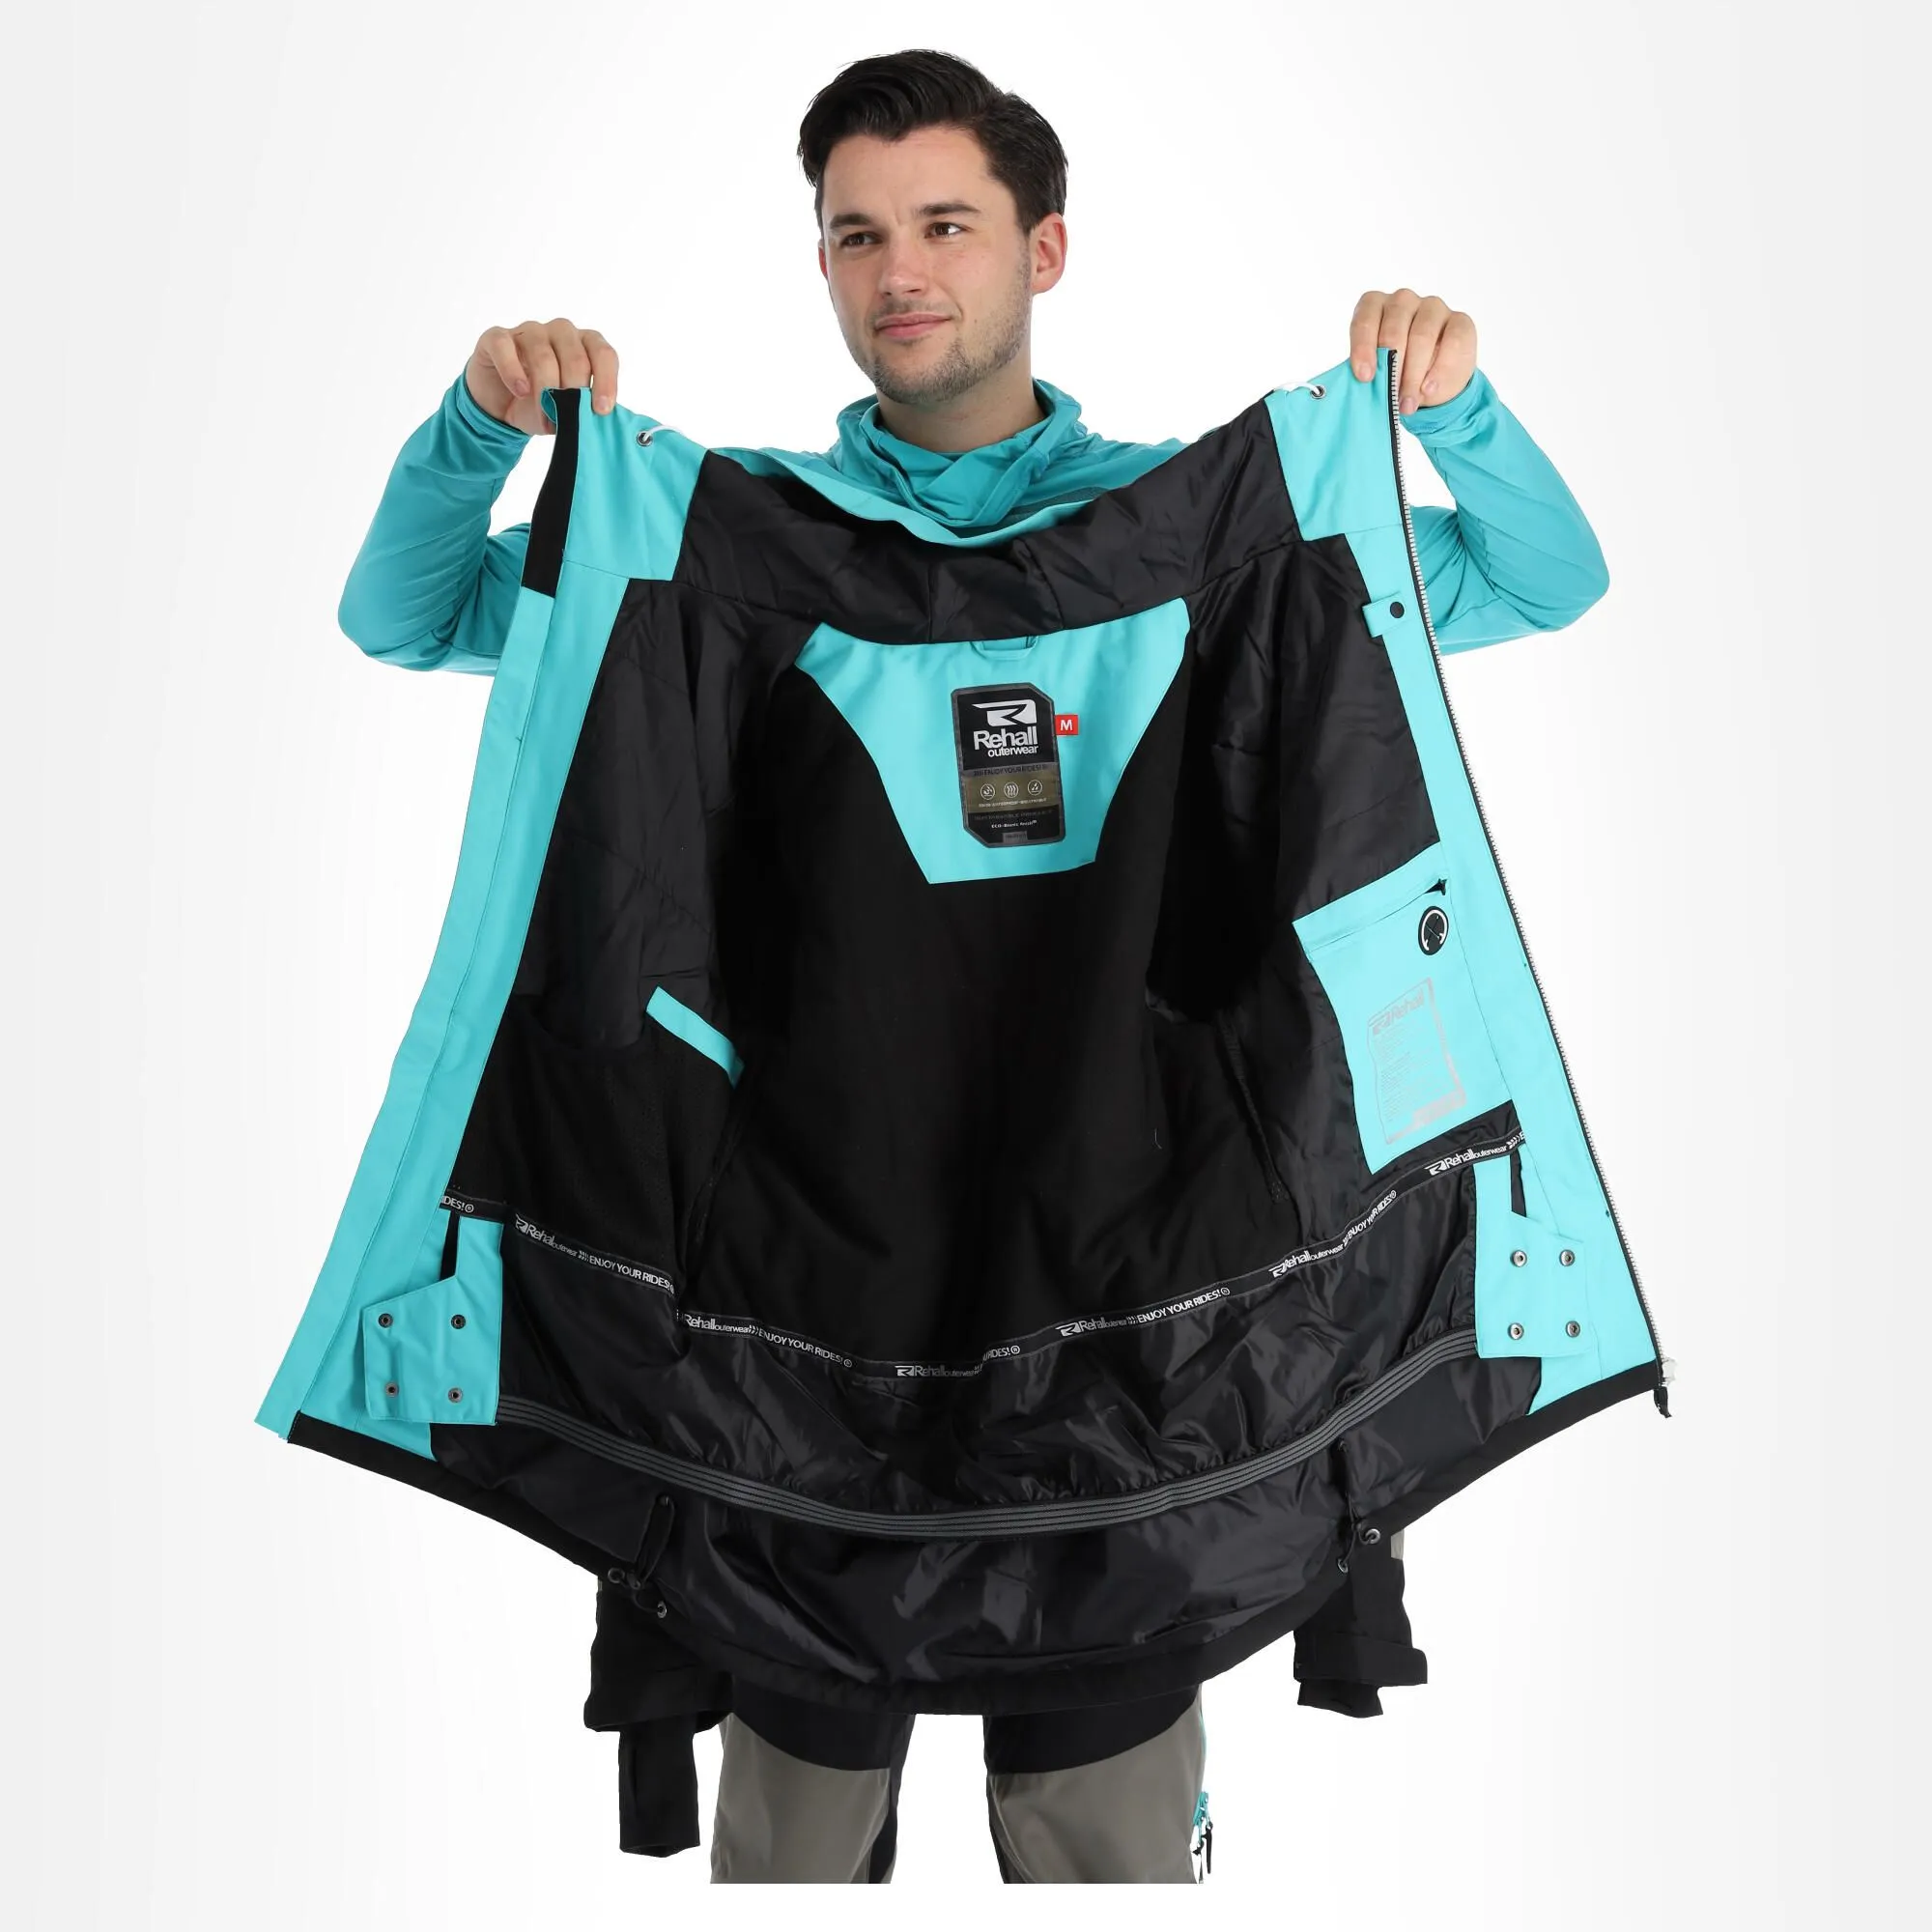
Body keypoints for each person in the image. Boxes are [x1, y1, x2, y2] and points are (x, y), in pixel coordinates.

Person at [329, 45, 1609, 1887]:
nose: (900, 270)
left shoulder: (1211, 533)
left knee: (1107, 1853)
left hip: (1143, 1313)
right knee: (792, 1854)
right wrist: (476, 423)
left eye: (944, 223)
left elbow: (1546, 577)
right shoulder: (715, 547)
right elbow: (401, 614)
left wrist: (1457, 407)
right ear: (823, 266)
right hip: (796, 1315)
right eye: (857, 234)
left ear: (1043, 249)